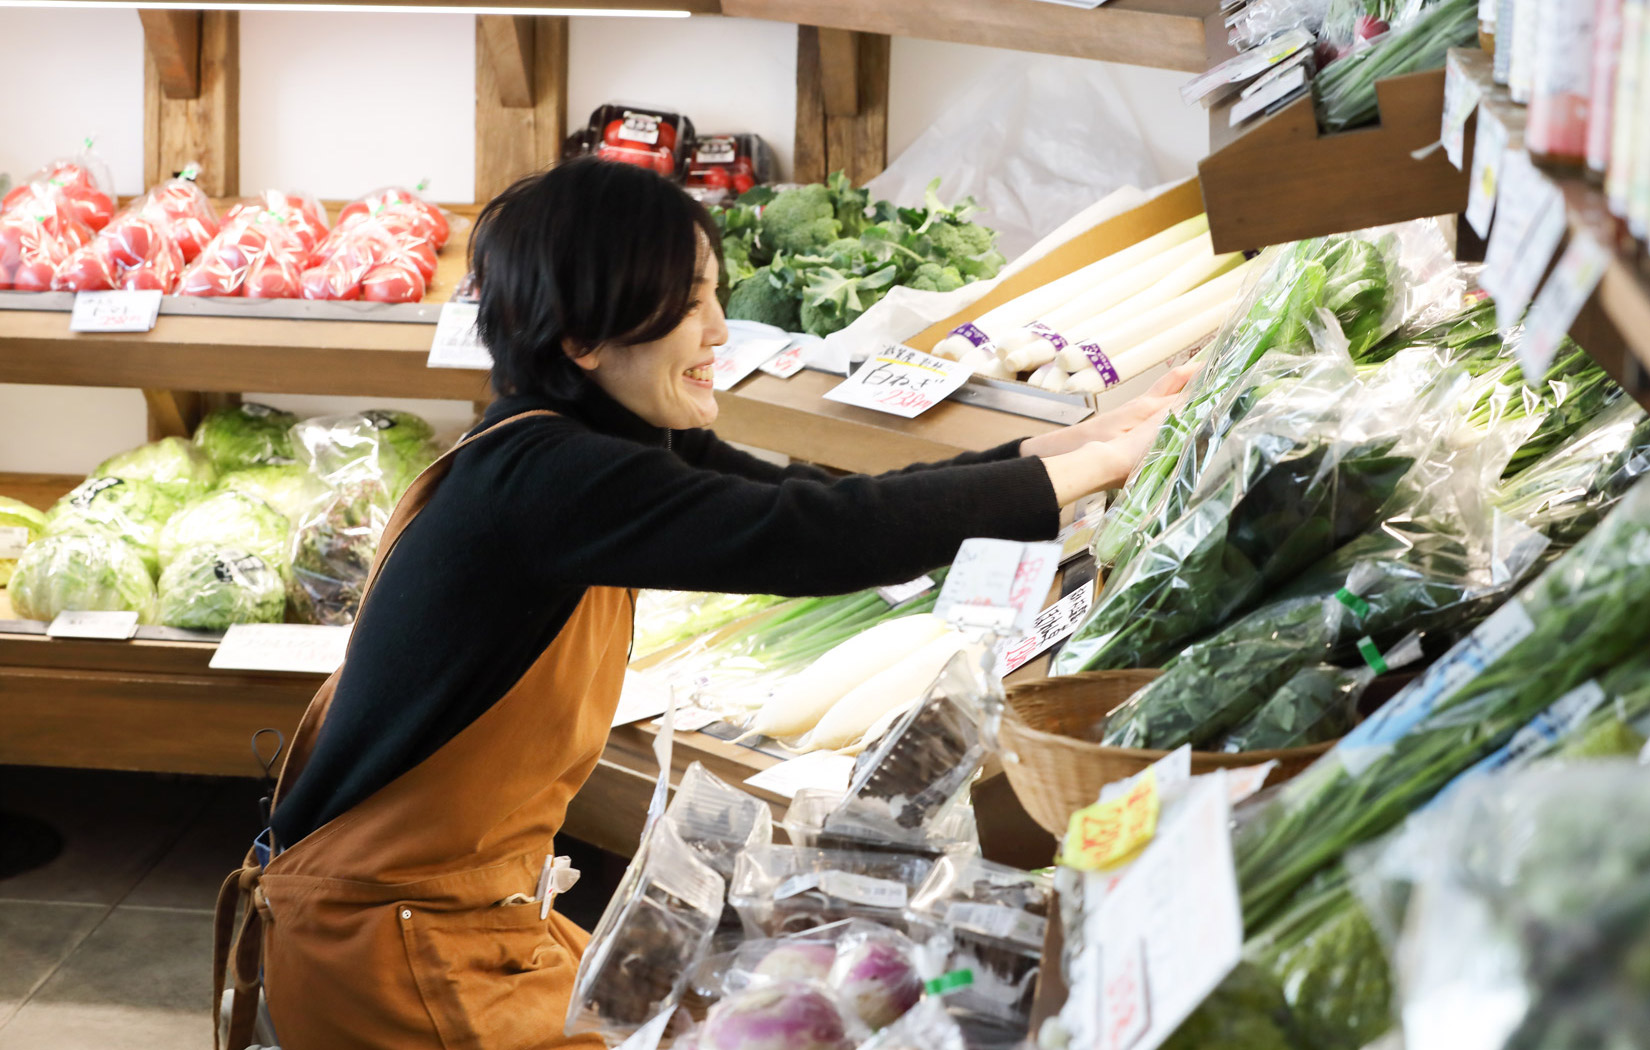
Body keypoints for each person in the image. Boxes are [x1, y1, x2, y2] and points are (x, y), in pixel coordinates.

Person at [215, 157, 1192, 1050]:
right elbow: (815, 540)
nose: (720, 333)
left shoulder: (582, 439)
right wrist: (1094, 466)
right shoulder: (550, 477)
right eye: (689, 306)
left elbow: (806, 502)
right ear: (585, 333)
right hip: (400, 955)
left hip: (463, 916)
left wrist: (1059, 452)